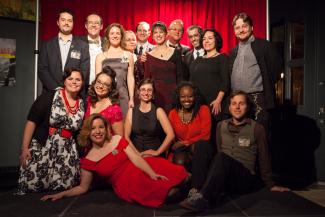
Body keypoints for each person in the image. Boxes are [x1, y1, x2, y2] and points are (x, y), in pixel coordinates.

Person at [41, 114, 188, 207]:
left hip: (143, 167)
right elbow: (83, 188)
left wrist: (151, 173)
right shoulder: (88, 160)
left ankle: (192, 190)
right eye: (93, 128)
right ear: (87, 132)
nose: (98, 131)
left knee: (184, 177)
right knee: (171, 194)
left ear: (106, 129)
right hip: (128, 183)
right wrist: (61, 194)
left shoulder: (117, 140)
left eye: (101, 127)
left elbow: (136, 158)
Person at [179, 90, 290, 212]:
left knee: (222, 157)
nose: (237, 107)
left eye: (241, 104)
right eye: (234, 104)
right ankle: (196, 191)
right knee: (202, 145)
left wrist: (270, 184)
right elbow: (219, 149)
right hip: (225, 177)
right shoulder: (221, 126)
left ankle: (203, 199)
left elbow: (264, 156)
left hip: (244, 178)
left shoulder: (257, 128)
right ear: (230, 108)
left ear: (247, 107)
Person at [17, 68, 85, 194]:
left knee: (64, 189)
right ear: (64, 81)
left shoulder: (82, 103)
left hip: (67, 151)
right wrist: (25, 148)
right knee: (33, 187)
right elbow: (32, 121)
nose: (74, 82)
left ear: (82, 82)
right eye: (70, 79)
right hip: (44, 147)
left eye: (78, 79)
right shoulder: (50, 96)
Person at [229, 12, 282, 131]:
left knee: (260, 135)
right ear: (234, 31)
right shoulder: (233, 52)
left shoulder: (265, 46)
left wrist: (264, 86)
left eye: (244, 26)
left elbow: (275, 69)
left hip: (258, 99)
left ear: (251, 27)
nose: (241, 30)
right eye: (237, 27)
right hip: (238, 100)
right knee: (241, 136)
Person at [168, 81, 214, 196]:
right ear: (178, 98)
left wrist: (186, 142)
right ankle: (184, 189)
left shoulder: (203, 110)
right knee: (179, 161)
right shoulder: (173, 114)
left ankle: (197, 188)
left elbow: (206, 135)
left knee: (197, 147)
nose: (186, 100)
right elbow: (171, 138)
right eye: (183, 97)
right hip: (181, 148)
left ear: (195, 97)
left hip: (199, 146)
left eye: (190, 96)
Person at [189, 28, 230, 145]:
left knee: (215, 138)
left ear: (216, 41)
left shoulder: (222, 58)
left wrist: (218, 100)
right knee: (201, 139)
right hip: (199, 106)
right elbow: (191, 82)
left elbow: (225, 82)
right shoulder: (197, 60)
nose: (206, 41)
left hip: (215, 105)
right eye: (204, 39)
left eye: (210, 38)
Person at [38, 9, 90, 96]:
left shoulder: (82, 46)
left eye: (70, 20)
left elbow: (84, 70)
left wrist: (72, 87)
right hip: (51, 93)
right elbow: (42, 69)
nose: (66, 23)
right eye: (63, 20)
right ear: (58, 22)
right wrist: (56, 88)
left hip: (75, 94)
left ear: (73, 23)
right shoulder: (47, 45)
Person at [124, 78, 174, 157]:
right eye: (143, 89)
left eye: (149, 90)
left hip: (153, 154)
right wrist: (137, 154)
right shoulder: (131, 111)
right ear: (138, 92)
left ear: (153, 94)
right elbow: (126, 137)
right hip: (135, 153)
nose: (146, 93)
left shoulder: (159, 111)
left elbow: (171, 135)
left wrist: (157, 152)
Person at [142, 21, 185, 113]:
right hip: (156, 97)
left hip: (173, 96)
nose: (158, 35)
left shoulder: (176, 53)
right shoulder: (148, 56)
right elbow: (147, 79)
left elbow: (180, 77)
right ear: (152, 36)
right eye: (155, 32)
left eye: (161, 32)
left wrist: (180, 97)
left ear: (166, 34)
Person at [95, 23, 135, 116]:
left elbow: (130, 77)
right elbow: (97, 81)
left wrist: (131, 98)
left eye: (118, 33)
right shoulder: (100, 57)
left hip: (123, 96)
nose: (115, 35)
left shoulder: (128, 55)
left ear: (121, 36)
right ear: (108, 36)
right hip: (105, 97)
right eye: (112, 33)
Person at [85, 65, 123, 136]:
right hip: (88, 146)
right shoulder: (89, 100)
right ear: (94, 82)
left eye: (105, 84)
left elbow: (119, 138)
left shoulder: (114, 109)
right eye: (99, 82)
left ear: (111, 88)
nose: (101, 86)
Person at [79, 13, 104, 85]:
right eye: (90, 23)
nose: (93, 25)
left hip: (102, 85)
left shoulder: (107, 43)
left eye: (96, 23)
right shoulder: (78, 42)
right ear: (86, 26)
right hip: (82, 85)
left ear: (101, 26)